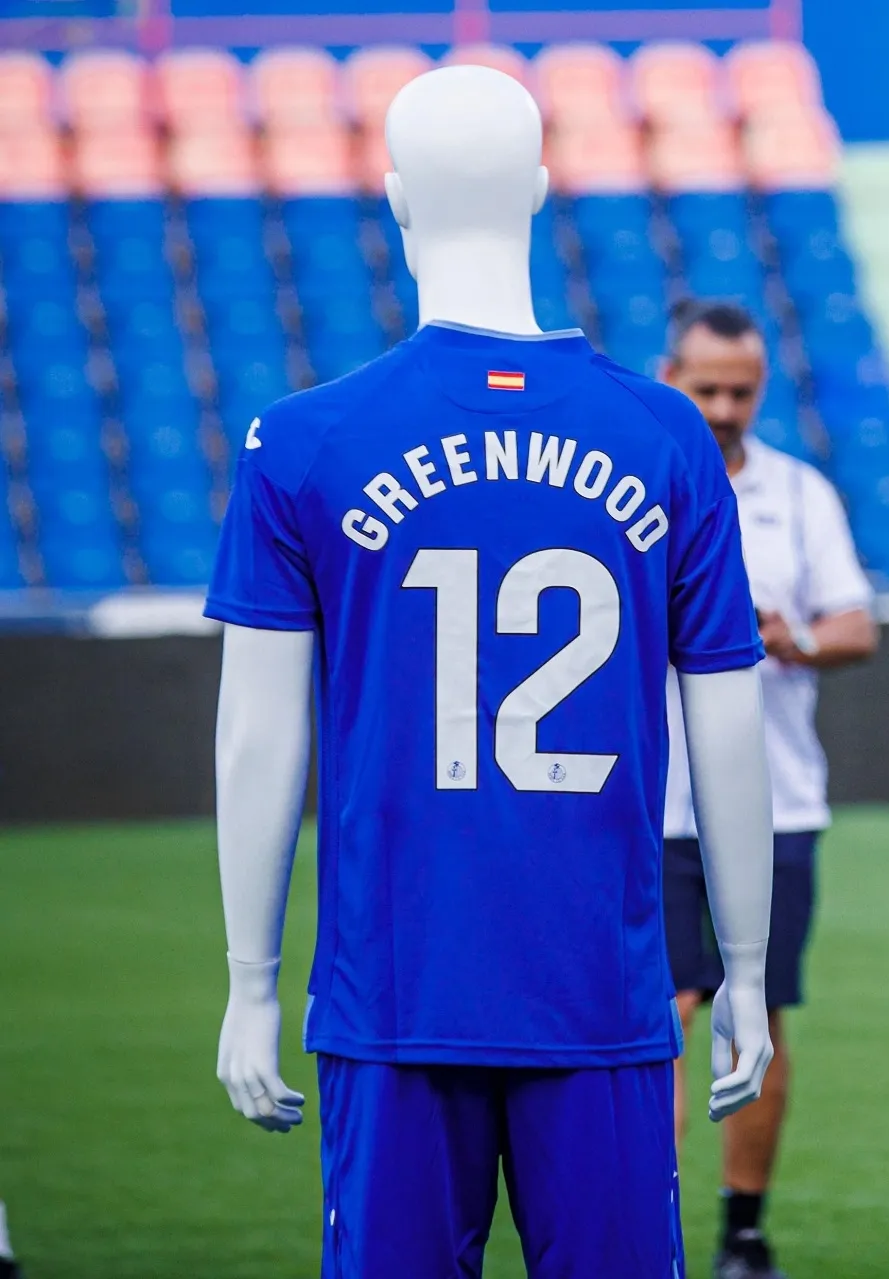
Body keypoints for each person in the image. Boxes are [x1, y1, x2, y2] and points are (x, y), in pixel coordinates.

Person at [204, 67, 778, 1276]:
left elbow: (259, 741)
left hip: (393, 992)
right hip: (601, 991)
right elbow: (731, 718)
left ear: (397, 201)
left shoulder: (303, 439)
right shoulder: (667, 432)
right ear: (538, 191)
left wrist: (251, 979)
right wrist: (744, 969)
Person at [659, 301, 878, 1279]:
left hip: (775, 802)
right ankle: (644, 1222)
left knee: (758, 1015)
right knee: (658, 1016)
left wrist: (789, 635)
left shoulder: (798, 491)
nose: (722, 405)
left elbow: (857, 627)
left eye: (740, 388)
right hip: (648, 801)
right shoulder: (633, 487)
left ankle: (741, 1227)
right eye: (705, 386)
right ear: (670, 374)